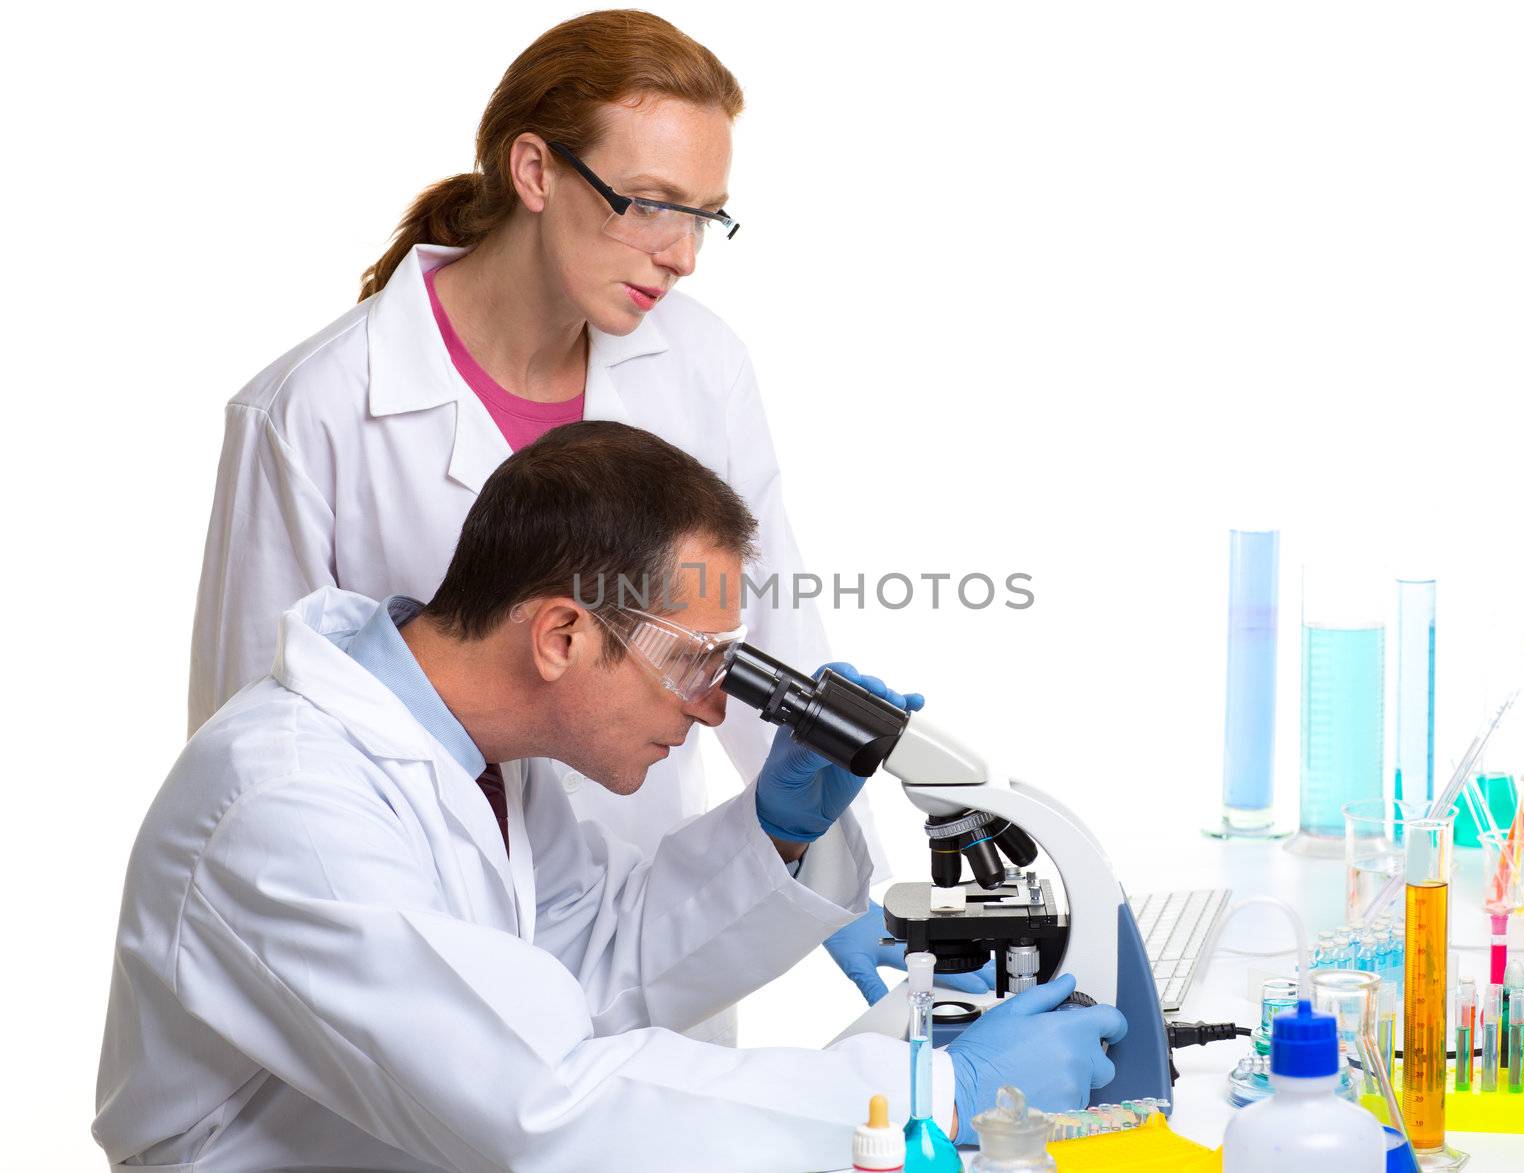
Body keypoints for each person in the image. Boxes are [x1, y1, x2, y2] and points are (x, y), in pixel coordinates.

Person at [184, 7, 962, 1016]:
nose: (682, 255)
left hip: (648, 905)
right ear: (536, 172)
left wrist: (817, 868)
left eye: (705, 214)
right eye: (649, 204)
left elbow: (760, 619)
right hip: (412, 919)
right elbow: (253, 729)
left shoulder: (700, 362)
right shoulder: (317, 407)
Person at [96, 423, 1126, 1172]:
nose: (715, 709)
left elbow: (590, 975)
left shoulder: (482, 759)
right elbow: (543, 1103)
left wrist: (770, 834)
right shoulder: (288, 807)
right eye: (694, 663)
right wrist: (937, 1095)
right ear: (561, 636)